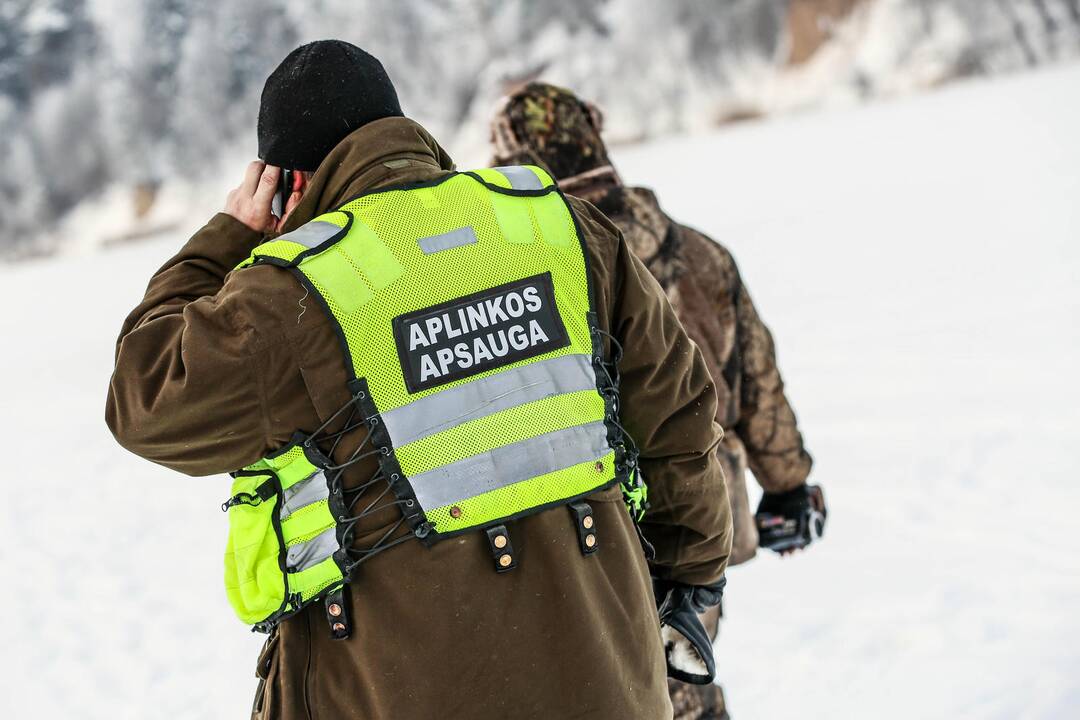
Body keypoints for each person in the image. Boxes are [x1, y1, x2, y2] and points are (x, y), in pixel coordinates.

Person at [106, 41, 732, 720]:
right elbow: (679, 417)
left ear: (286, 183)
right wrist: (690, 580)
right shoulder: (562, 229)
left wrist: (225, 239)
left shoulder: (288, 296)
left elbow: (144, 399)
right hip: (610, 685)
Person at [491, 82, 824, 720]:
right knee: (683, 683)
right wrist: (789, 484)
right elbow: (758, 386)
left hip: (591, 530)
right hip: (705, 521)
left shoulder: (523, 268)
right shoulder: (699, 253)